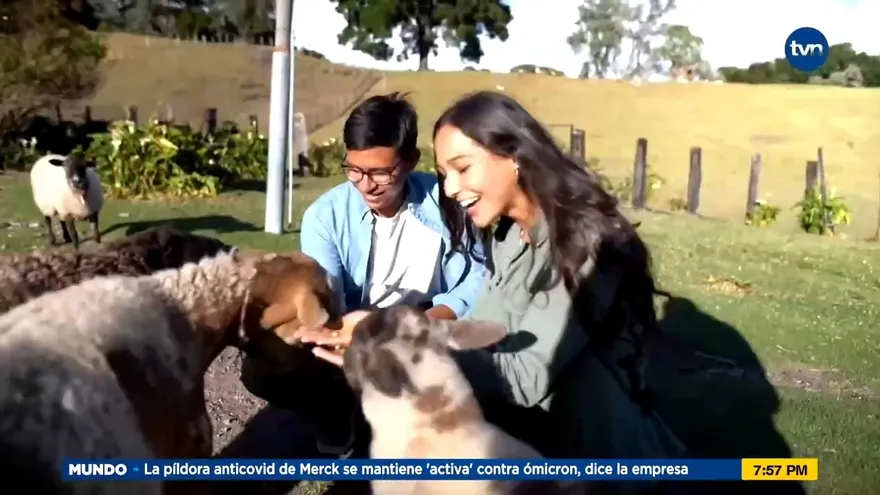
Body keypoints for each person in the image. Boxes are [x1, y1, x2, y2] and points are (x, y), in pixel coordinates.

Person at [297, 91, 686, 479]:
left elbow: (526, 375)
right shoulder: (507, 237)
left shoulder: (585, 243)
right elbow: (479, 332)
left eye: (463, 168)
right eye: (445, 174)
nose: (449, 189)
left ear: (514, 156)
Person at [241, 92, 489, 457]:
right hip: (350, 331)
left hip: (426, 327)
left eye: (380, 173)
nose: (366, 184)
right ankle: (335, 412)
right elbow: (327, 299)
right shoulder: (325, 216)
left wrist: (422, 322)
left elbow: (476, 277)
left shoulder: (448, 202)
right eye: (354, 170)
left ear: (410, 161)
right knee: (261, 370)